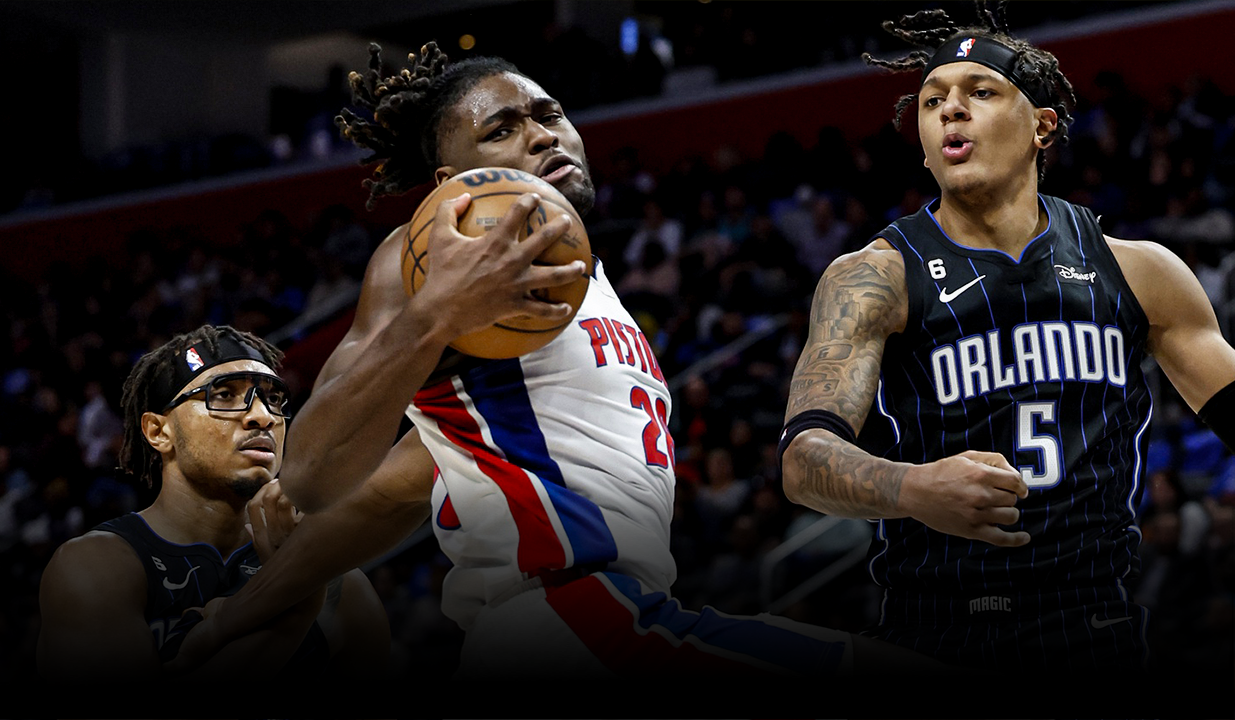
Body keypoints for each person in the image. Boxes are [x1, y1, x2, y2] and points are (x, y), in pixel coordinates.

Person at [167, 41, 943, 709]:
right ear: (449, 185)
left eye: (548, 114)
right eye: (502, 129)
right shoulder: (432, 260)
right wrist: (434, 311)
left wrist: (240, 614)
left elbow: (395, 493)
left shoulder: (568, 288)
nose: (541, 136)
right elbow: (311, 475)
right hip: (578, 621)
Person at [778, 1, 1235, 712]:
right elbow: (804, 461)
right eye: (933, 102)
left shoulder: (1140, 272)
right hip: (936, 632)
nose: (950, 111)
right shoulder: (873, 276)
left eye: (979, 93)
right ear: (924, 143)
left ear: (1042, 126)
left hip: (1096, 631)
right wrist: (914, 489)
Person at [36, 324, 390, 716]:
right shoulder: (95, 568)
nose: (262, 416)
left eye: (273, 399)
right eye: (223, 395)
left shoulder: (342, 584)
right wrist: (293, 607)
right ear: (158, 431)